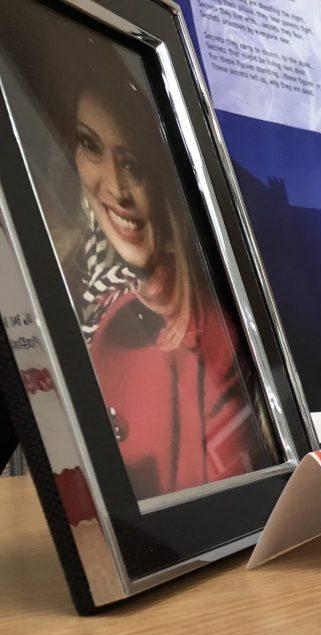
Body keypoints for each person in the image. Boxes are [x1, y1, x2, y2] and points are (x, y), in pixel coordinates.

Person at [10, 24, 280, 500]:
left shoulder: (208, 331)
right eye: (91, 146)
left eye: (132, 163)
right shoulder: (56, 276)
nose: (114, 187)